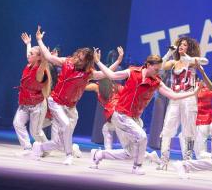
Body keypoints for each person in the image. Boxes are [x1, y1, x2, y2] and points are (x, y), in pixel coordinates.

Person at [89, 53, 197, 175]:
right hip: (121, 114)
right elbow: (112, 75)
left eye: (159, 69)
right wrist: (98, 61)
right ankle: (137, 166)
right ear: (148, 65)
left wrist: (193, 93)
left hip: (133, 118)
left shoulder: (156, 82)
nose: (158, 72)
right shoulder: (132, 72)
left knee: (129, 153)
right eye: (156, 69)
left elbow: (173, 95)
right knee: (142, 136)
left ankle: (98, 154)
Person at [30, 26, 123, 165]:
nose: (77, 57)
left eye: (81, 56)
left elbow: (106, 73)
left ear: (87, 60)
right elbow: (49, 57)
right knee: (66, 126)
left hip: (71, 108)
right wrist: (39, 40)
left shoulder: (89, 72)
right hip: (56, 102)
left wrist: (118, 61)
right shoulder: (66, 62)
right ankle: (69, 155)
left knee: (58, 142)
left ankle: (40, 147)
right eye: (78, 54)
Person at [158, 37, 204, 169]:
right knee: (167, 128)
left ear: (189, 48)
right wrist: (168, 53)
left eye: (184, 45)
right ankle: (164, 161)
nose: (181, 46)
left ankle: (187, 162)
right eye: (180, 44)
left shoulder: (192, 62)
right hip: (174, 98)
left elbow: (205, 61)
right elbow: (160, 67)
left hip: (188, 98)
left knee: (188, 130)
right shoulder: (173, 62)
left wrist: (188, 58)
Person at [13, 32, 51, 155]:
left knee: (35, 131)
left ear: (39, 57)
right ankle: (28, 148)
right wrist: (28, 44)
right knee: (17, 123)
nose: (28, 55)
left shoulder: (40, 71)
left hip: (37, 105)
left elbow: (44, 62)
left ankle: (47, 149)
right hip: (25, 103)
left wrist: (44, 52)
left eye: (32, 54)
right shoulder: (29, 65)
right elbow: (30, 56)